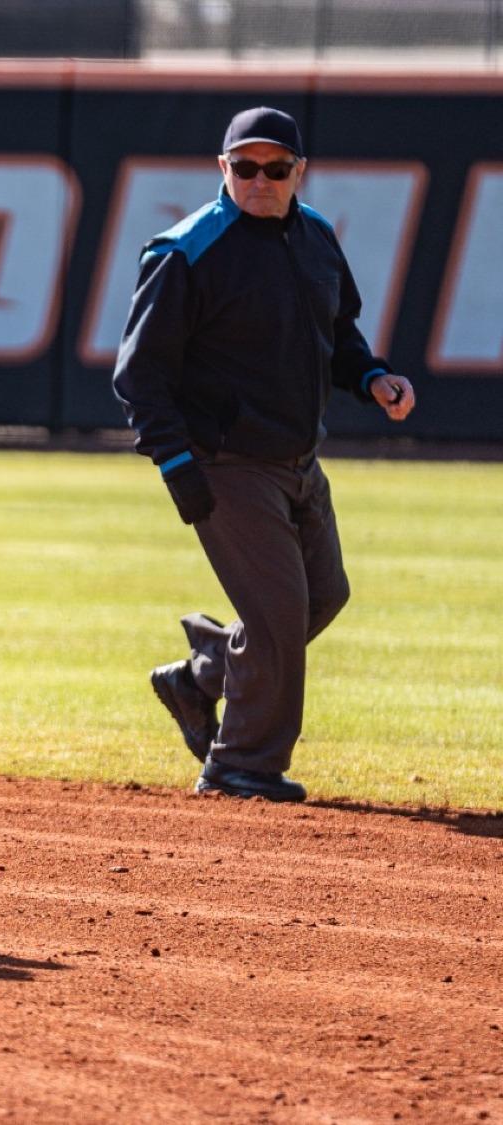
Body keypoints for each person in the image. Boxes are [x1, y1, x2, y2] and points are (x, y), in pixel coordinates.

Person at [112, 106, 416, 802]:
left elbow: (338, 335)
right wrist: (175, 465)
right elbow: (139, 376)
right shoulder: (185, 251)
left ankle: (202, 676)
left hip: (299, 459)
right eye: (244, 166)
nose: (259, 179)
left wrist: (373, 378)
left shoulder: (314, 239)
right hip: (223, 462)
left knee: (324, 595)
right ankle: (239, 764)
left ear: (298, 173)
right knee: (279, 614)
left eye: (275, 167)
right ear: (223, 170)